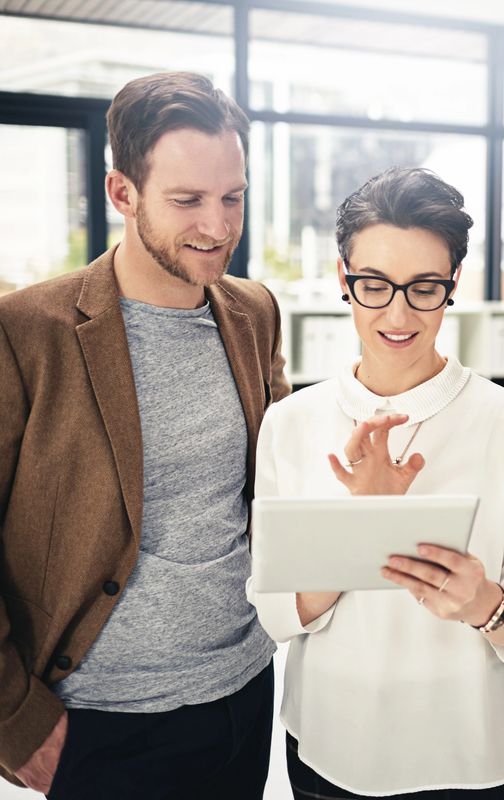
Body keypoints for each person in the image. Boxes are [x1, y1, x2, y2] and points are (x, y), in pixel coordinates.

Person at [0, 71, 290, 799]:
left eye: (234, 197)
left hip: (242, 693)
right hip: (97, 722)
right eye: (187, 200)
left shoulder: (255, 312)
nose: (219, 226)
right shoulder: (26, 333)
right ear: (121, 194)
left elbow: (274, 482)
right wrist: (17, 722)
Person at [247, 166, 504, 799]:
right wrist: (364, 524)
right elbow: (275, 611)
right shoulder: (290, 423)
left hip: (467, 752)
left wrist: (484, 604)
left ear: (451, 289)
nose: (397, 313)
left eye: (423, 288)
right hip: (331, 747)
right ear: (344, 280)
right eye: (374, 285)